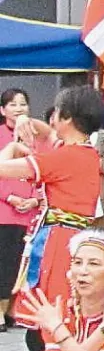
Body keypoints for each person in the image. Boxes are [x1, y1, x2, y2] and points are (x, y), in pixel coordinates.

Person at [0, 86, 104, 351]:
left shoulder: (63, 157)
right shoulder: (83, 152)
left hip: (59, 246)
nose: (51, 119)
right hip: (70, 240)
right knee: (55, 324)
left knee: (48, 325)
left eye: (56, 113)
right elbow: (49, 136)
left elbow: (4, 170)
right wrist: (31, 124)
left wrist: (12, 146)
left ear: (68, 119)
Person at [0, 87, 38, 332]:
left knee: (23, 264)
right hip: (5, 210)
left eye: (22, 104)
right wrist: (10, 196)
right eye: (12, 104)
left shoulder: (37, 137)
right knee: (4, 262)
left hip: (31, 212)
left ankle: (15, 308)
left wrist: (35, 199)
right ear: (3, 110)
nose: (19, 109)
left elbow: (44, 171)